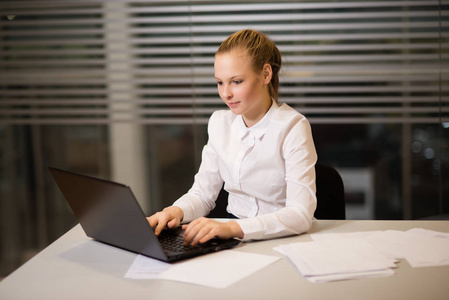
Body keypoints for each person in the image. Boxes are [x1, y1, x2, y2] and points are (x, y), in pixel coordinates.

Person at [148, 29, 317, 246]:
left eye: (236, 82)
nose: (226, 93)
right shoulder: (219, 123)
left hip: (283, 241)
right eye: (220, 82)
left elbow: (300, 214)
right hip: (233, 241)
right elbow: (202, 194)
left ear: (266, 74)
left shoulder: (293, 127)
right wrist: (175, 211)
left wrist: (231, 228)